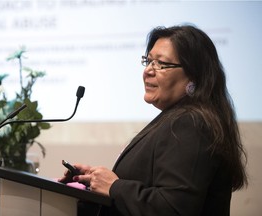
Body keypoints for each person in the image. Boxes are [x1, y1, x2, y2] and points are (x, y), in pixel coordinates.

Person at [58, 24, 248, 216]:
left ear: (194, 74)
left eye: (161, 64)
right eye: (148, 61)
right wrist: (96, 181)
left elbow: (173, 208)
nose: (148, 70)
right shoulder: (176, 117)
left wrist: (115, 187)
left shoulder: (191, 124)